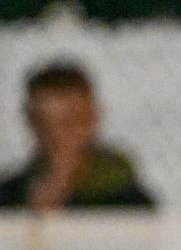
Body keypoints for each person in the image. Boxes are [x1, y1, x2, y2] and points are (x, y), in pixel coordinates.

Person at [0, 62, 155, 210]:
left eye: (70, 122)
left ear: (93, 117)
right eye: (43, 123)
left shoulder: (128, 202)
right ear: (29, 121)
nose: (56, 135)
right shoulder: (9, 195)